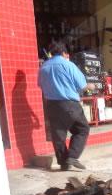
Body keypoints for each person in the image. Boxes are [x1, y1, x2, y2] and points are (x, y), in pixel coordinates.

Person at [38, 41, 95, 171]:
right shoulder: (68, 65)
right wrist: (91, 86)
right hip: (69, 104)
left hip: (51, 105)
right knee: (82, 129)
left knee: (58, 135)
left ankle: (63, 163)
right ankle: (72, 156)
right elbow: (82, 85)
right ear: (64, 53)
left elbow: (41, 85)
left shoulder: (44, 67)